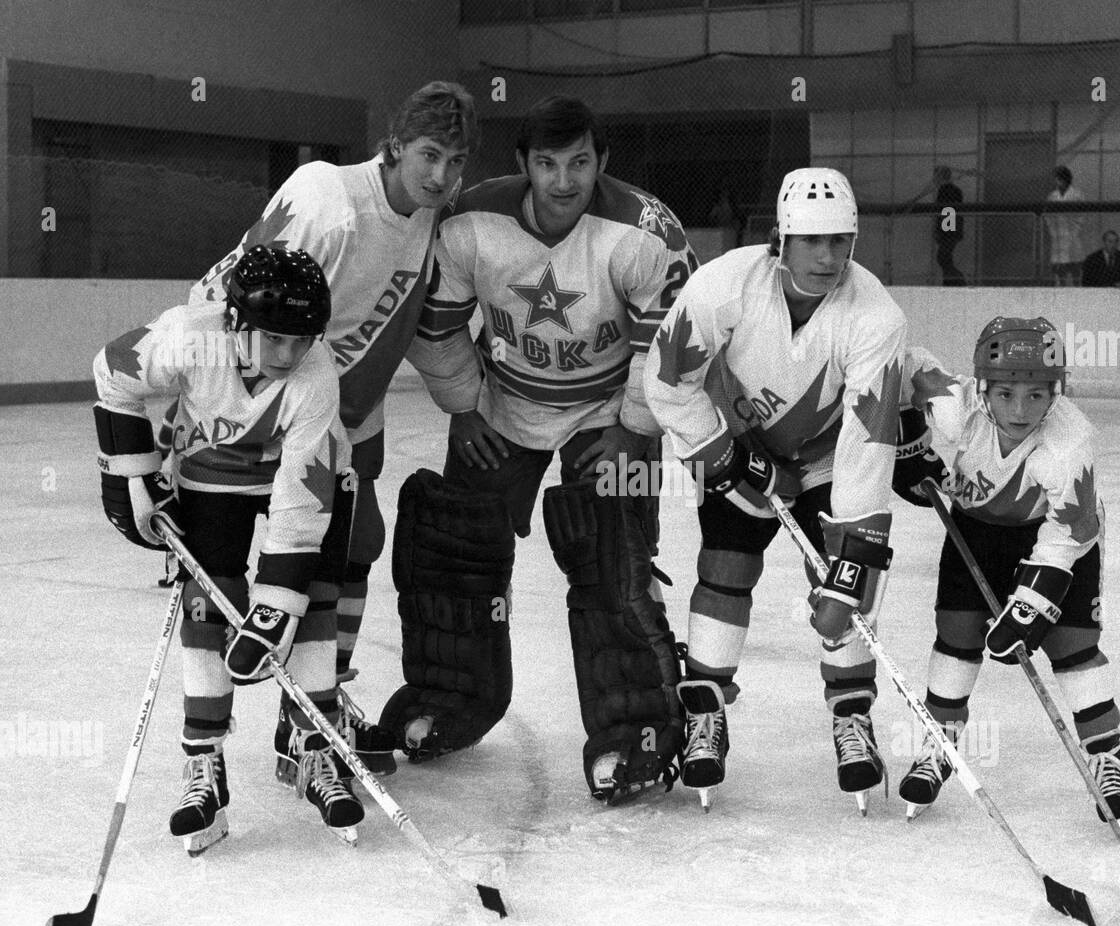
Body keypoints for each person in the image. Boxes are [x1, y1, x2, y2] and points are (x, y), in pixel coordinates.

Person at [403, 94, 698, 801]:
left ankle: (640, 730)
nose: (564, 182)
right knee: (456, 556)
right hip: (502, 404)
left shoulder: (645, 232)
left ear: (603, 160)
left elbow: (673, 344)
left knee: (611, 566)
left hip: (611, 413)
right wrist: (465, 409)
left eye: (580, 163)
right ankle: (451, 699)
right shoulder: (471, 221)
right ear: (522, 164)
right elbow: (435, 325)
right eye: (546, 164)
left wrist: (633, 430)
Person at [185, 80, 481, 780]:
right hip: (271, 408)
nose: (441, 175)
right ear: (397, 145)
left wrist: (465, 400)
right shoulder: (328, 199)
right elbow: (239, 301)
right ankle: (251, 730)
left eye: (457, 161)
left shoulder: (430, 217)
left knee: (358, 545)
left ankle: (313, 708)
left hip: (345, 409)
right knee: (258, 573)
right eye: (429, 155)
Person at [643, 167, 931, 814]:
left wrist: (855, 554)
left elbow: (869, 436)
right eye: (812, 242)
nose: (828, 257)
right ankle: (705, 711)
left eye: (841, 241)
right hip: (738, 446)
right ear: (782, 240)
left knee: (840, 591)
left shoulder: (876, 316)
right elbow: (667, 383)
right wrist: (726, 460)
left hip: (830, 456)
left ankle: (851, 716)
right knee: (726, 565)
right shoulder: (722, 288)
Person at [93, 246, 367, 852]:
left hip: (307, 476)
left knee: (316, 601)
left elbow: (299, 509)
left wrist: (278, 609)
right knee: (205, 602)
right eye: (276, 338)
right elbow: (112, 370)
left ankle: (311, 744)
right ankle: (204, 765)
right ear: (237, 323)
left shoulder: (315, 375)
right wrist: (131, 472)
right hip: (210, 471)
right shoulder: (189, 338)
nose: (290, 355)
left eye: (304, 339)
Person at [895, 318, 1120, 831]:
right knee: (957, 633)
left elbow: (1067, 535)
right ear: (982, 385)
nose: (1020, 410)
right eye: (1005, 392)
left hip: (1057, 537)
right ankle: (940, 743)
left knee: (1071, 643)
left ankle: (1107, 756)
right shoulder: (954, 405)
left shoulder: (1070, 441)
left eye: (1037, 394)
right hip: (977, 529)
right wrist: (909, 444)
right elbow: (905, 363)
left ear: (1059, 390)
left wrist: (1030, 606)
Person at [1044, 166, 1085, 286]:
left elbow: (1082, 216)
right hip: (1057, 237)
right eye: (1056, 179)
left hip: (1073, 236)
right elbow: (1048, 216)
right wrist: (1052, 231)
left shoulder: (1077, 195)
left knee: (1075, 269)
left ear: (1065, 179)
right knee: (1060, 272)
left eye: (1058, 178)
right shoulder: (1052, 196)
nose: (1057, 182)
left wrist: (1075, 230)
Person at [932, 165, 965, 286]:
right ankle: (950, 281)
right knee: (945, 257)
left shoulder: (945, 190)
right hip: (952, 230)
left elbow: (947, 211)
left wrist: (942, 232)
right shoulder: (954, 190)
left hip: (949, 231)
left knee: (943, 257)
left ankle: (956, 281)